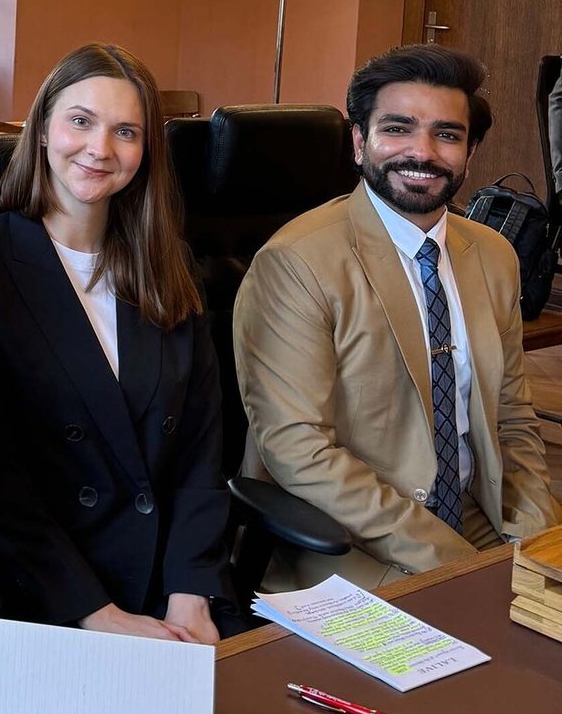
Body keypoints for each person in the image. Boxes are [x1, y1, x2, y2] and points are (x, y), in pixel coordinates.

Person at [0, 43, 232, 642]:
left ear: (146, 154)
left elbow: (202, 447)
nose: (100, 149)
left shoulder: (171, 268)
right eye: (80, 121)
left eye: (126, 132)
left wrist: (190, 593)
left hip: (172, 585)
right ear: (41, 128)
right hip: (44, 593)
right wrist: (98, 615)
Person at [235, 45, 559, 590]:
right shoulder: (297, 262)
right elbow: (298, 449)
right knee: (467, 659)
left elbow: (511, 417)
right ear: (360, 142)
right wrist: (457, 565)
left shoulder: (494, 254)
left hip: (475, 517)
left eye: (447, 135)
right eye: (398, 129)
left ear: (470, 152)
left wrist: (536, 543)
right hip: (348, 538)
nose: (423, 152)